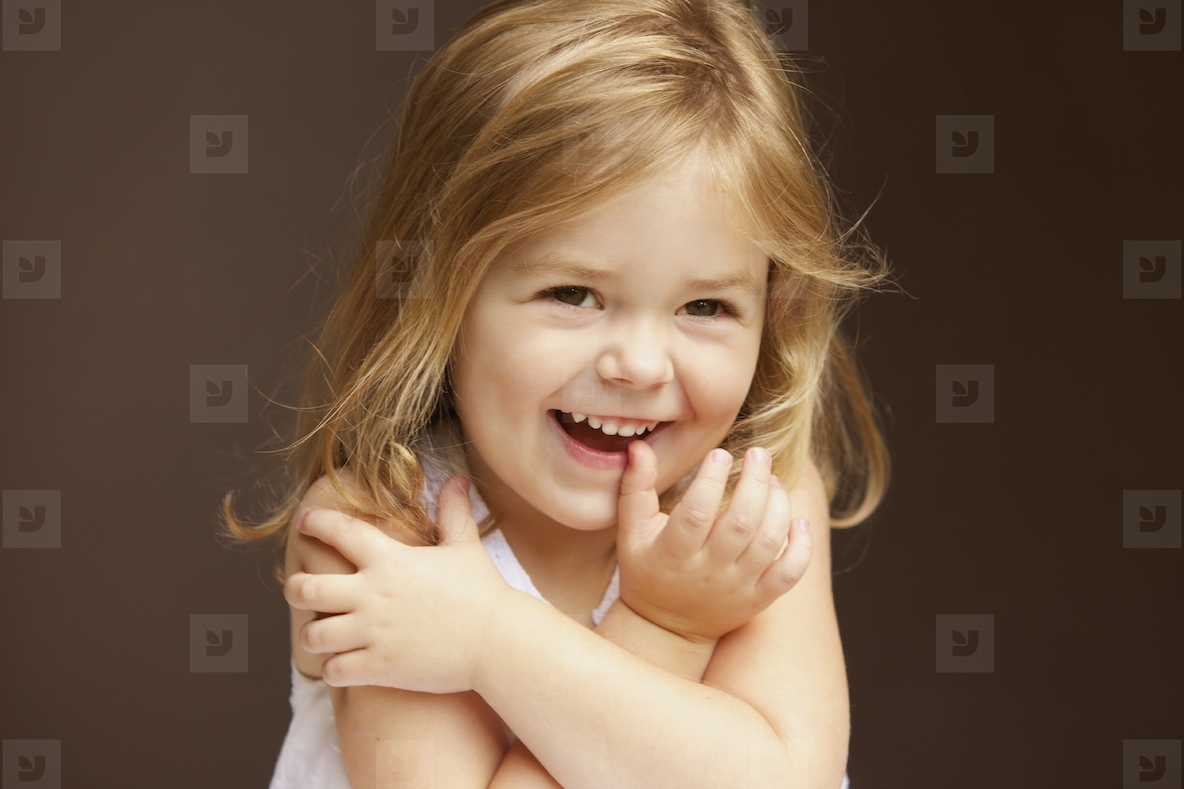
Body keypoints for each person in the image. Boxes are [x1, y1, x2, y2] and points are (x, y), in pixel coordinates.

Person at [220, 0, 894, 786]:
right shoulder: (379, 530)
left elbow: (783, 778)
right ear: (443, 295)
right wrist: (663, 628)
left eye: (705, 306)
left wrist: (492, 641)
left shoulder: (754, 504)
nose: (639, 365)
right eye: (573, 293)